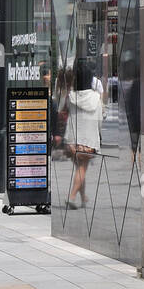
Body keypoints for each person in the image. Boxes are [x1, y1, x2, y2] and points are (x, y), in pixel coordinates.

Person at [64, 58, 103, 210]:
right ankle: (72, 197)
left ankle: (83, 198)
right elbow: (100, 120)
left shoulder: (71, 97)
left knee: (80, 169)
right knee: (82, 169)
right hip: (88, 142)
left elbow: (66, 111)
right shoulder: (96, 98)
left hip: (72, 141)